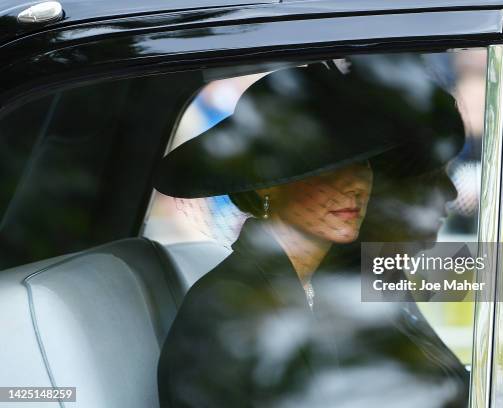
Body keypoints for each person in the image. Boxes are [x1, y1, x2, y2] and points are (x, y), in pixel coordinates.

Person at [155, 55, 468, 407]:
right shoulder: (227, 310)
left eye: (362, 162)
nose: (353, 185)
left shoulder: (323, 282)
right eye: (324, 168)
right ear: (265, 184)